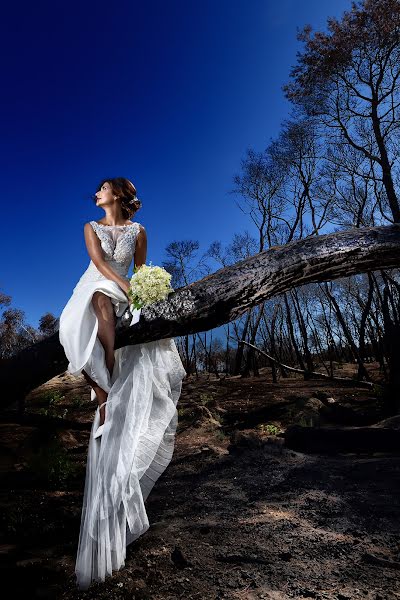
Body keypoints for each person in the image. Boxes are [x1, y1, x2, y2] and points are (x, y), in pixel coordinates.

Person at [58, 177, 186, 590]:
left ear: (118, 195)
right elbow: (99, 264)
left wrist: (146, 291)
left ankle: (109, 388)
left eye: (102, 189)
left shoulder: (139, 231)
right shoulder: (90, 228)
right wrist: (128, 287)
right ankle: (104, 388)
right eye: (97, 191)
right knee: (94, 305)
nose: (96, 194)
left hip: (128, 292)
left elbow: (144, 267)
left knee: (120, 318)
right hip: (98, 286)